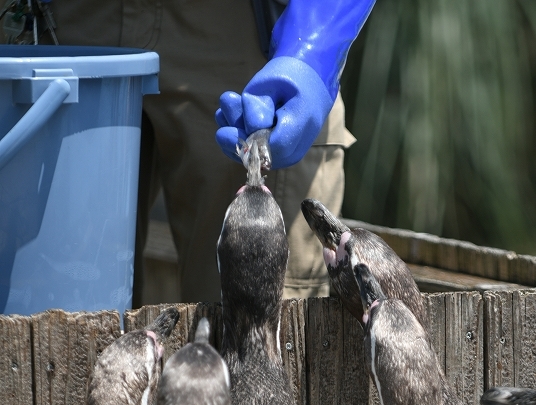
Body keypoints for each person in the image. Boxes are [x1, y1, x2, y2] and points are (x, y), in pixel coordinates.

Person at [27, 0, 376, 304]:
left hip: (245, 29)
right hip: (67, 21)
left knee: (250, 340)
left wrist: (311, 50)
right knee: (52, 312)